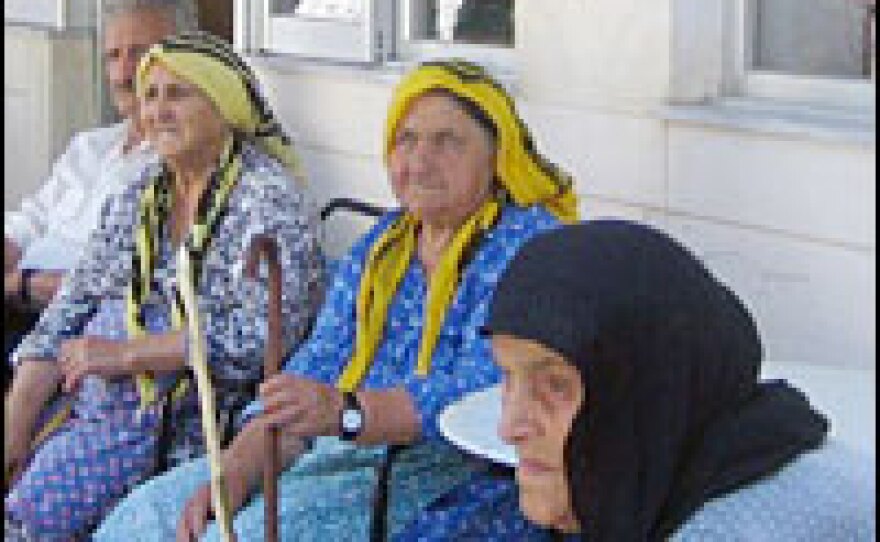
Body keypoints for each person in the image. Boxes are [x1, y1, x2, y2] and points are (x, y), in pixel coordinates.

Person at [93, 58, 579, 541]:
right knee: (147, 516)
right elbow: (316, 364)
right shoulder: (385, 245)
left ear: (498, 156)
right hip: (340, 451)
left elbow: (487, 395)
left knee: (243, 535)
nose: (420, 160)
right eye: (406, 140)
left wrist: (349, 412)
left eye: (447, 142)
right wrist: (239, 470)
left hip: (450, 473)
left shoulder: (530, 248)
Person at [4, 32, 325, 541]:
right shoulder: (143, 187)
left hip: (206, 420)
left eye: (178, 94)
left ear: (223, 105)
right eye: (150, 95)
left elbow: (262, 339)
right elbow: (75, 299)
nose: (158, 110)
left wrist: (129, 354)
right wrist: (16, 422)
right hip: (99, 406)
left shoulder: (268, 201)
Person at [482, 221, 875, 541]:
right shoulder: (795, 454)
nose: (510, 427)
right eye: (507, 376)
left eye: (555, 385)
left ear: (651, 387)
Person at [3, 0, 198, 379]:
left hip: (74, 335)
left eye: (140, 54)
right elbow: (27, 223)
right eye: (113, 56)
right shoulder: (89, 147)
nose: (124, 73)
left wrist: (20, 285)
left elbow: (128, 288)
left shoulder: (179, 169)